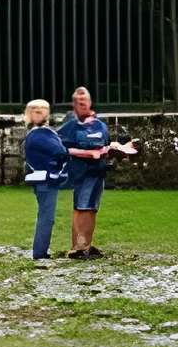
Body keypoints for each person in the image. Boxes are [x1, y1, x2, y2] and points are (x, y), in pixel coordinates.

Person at [58, 85, 137, 259]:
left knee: (92, 208)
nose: (82, 104)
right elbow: (60, 148)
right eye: (78, 102)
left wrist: (118, 149)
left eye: (84, 100)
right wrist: (88, 153)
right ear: (74, 105)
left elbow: (105, 145)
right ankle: (77, 248)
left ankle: (86, 244)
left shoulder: (100, 125)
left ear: (90, 102)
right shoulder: (70, 126)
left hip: (98, 171)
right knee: (82, 207)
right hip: (81, 171)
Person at [18, 97, 71, 260]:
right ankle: (40, 252)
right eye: (35, 110)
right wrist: (56, 169)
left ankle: (41, 250)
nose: (39, 112)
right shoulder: (40, 135)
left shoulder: (39, 134)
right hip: (46, 179)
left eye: (42, 109)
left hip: (43, 178)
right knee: (46, 217)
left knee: (46, 215)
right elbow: (60, 152)